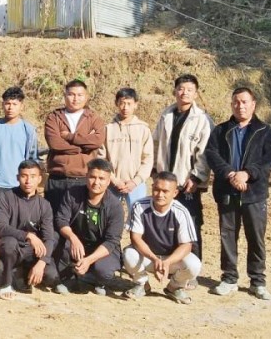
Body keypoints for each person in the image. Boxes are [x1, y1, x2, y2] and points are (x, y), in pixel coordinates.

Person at [204, 87, 271, 300]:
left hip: (254, 193)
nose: (240, 106)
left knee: (255, 237)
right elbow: (211, 154)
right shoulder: (221, 131)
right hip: (227, 192)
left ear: (253, 104)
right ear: (231, 105)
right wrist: (230, 174)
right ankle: (229, 278)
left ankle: (257, 281)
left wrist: (247, 174)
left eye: (245, 102)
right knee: (228, 236)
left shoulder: (265, 131)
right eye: (236, 102)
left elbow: (269, 160)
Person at [152, 74, 213, 262]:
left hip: (187, 184)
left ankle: (192, 267)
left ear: (196, 93)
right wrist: (154, 170)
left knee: (191, 224)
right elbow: (156, 143)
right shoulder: (166, 115)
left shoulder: (202, 119)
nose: (184, 93)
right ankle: (171, 265)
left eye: (189, 90)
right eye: (181, 89)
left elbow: (206, 151)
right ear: (175, 91)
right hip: (165, 182)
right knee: (167, 223)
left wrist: (196, 177)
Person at [122, 171, 202, 304]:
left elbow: (187, 245)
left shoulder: (181, 211)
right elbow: (135, 238)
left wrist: (167, 262)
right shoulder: (139, 206)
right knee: (129, 254)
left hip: (171, 259)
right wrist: (154, 259)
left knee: (194, 264)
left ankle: (175, 287)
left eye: (165, 191)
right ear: (152, 187)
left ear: (175, 193)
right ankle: (142, 284)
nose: (160, 194)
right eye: (157, 189)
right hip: (148, 257)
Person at [53, 159, 124, 295]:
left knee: (103, 271)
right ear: (86, 176)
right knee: (57, 240)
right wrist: (73, 238)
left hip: (101, 246)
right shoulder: (73, 193)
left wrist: (89, 260)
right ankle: (70, 278)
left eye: (101, 179)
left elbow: (112, 240)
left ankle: (96, 279)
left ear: (108, 181)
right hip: (77, 243)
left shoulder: (115, 206)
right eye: (92, 177)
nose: (96, 182)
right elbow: (61, 220)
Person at [0, 160, 59, 300]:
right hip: (12, 248)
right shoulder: (6, 197)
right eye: (24, 176)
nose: (28, 181)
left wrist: (42, 262)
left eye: (33, 176)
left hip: (32, 251)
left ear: (40, 179)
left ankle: (20, 273)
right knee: (9, 243)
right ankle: (6, 283)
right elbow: (0, 227)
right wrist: (27, 235)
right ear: (18, 177)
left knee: (51, 276)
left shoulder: (44, 205)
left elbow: (49, 237)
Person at [43, 79, 105, 212]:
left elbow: (97, 141)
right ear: (65, 96)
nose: (75, 99)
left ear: (86, 97)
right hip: (58, 179)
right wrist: (82, 147)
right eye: (71, 94)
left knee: (81, 220)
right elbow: (55, 143)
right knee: (55, 219)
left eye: (80, 95)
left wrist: (69, 137)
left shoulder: (93, 118)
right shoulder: (54, 117)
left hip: (83, 179)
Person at [0, 86, 39, 208]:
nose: (10, 107)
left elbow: (32, 158)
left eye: (14, 104)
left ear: (21, 106)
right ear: (3, 105)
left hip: (19, 186)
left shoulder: (28, 130)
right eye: (7, 103)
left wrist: (28, 182)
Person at [97, 88, 153, 209]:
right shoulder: (108, 129)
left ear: (136, 105)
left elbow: (148, 159)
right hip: (111, 184)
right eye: (122, 103)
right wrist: (114, 180)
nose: (125, 107)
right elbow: (102, 158)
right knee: (108, 215)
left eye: (129, 104)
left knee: (138, 216)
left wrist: (135, 181)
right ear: (116, 104)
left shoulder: (143, 129)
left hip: (136, 184)